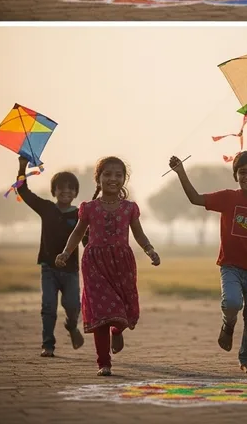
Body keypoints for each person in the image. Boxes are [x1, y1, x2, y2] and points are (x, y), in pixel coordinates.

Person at [168, 150, 247, 373]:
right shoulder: (228, 198)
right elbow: (195, 199)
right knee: (232, 303)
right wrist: (181, 172)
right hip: (230, 267)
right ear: (235, 175)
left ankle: (245, 357)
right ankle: (228, 324)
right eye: (242, 172)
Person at [56, 157, 160, 376]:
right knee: (101, 313)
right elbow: (77, 233)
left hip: (122, 264)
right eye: (107, 174)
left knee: (124, 309)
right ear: (98, 178)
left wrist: (150, 250)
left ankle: (118, 330)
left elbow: (138, 234)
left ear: (124, 179)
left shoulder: (130, 208)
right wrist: (66, 252)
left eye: (118, 175)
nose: (113, 179)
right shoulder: (89, 208)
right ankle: (103, 362)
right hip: (94, 264)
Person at [16, 155, 84, 357]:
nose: (66, 191)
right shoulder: (46, 208)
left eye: (71, 188)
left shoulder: (81, 215)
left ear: (75, 193)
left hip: (71, 270)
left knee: (73, 306)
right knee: (48, 307)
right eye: (61, 187)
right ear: (53, 191)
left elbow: (87, 240)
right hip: (48, 268)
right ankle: (48, 344)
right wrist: (22, 167)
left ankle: (71, 326)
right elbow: (23, 191)